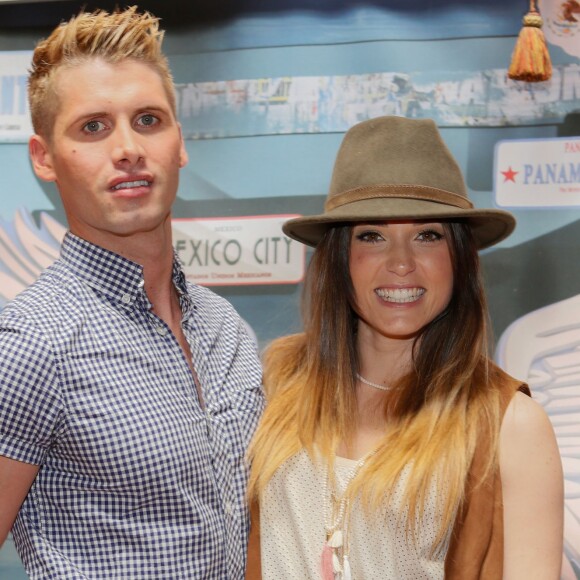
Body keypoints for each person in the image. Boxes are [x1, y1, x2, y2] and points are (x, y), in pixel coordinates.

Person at [0, 7, 264, 579]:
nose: (128, 148)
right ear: (44, 158)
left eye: (148, 120)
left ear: (179, 143)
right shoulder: (31, 342)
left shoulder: (228, 330)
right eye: (93, 127)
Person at [246, 116, 563, 579]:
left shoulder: (508, 424)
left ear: (458, 258)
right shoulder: (270, 385)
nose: (400, 263)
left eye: (427, 235)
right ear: (339, 259)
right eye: (371, 236)